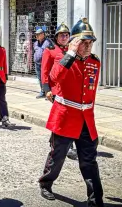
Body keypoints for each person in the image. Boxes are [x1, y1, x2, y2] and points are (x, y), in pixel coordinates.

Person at [38, 18, 103, 207]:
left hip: (85, 120)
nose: (88, 46)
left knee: (89, 162)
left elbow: (90, 93)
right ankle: (45, 183)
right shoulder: (65, 59)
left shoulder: (94, 62)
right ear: (75, 42)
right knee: (57, 156)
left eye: (90, 43)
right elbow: (54, 76)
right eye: (84, 42)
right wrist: (72, 52)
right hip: (65, 117)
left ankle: (95, 200)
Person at [41, 23, 77, 160]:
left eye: (66, 35)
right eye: (61, 35)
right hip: (56, 90)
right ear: (56, 37)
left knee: (64, 117)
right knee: (64, 117)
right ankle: (68, 146)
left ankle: (55, 141)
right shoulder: (49, 50)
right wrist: (46, 90)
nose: (64, 37)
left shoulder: (72, 50)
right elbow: (44, 71)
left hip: (69, 90)